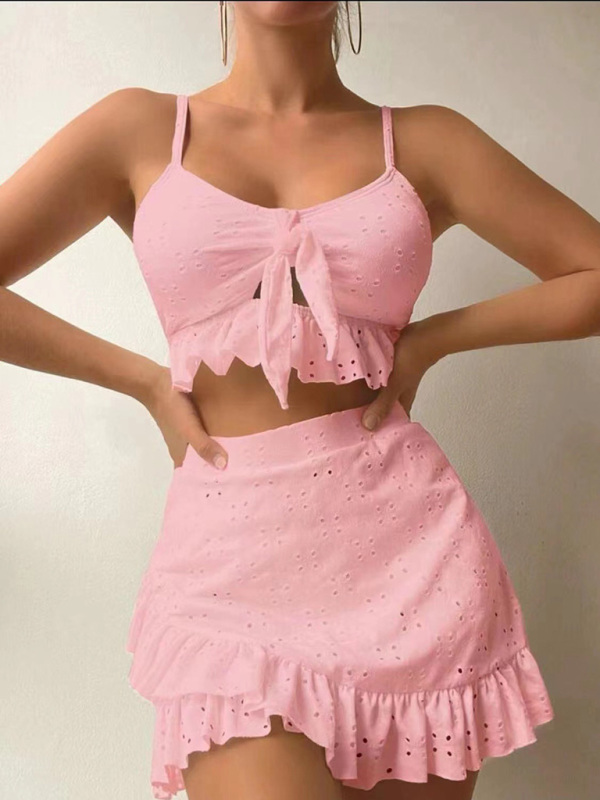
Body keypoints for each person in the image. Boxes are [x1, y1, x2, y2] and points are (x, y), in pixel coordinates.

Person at [3, 2, 600, 799]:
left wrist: (433, 339)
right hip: (228, 569)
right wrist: (142, 380)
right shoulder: (139, 129)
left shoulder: (426, 142)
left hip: (408, 564)